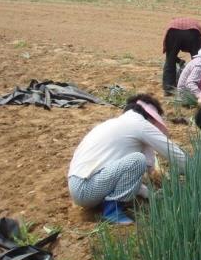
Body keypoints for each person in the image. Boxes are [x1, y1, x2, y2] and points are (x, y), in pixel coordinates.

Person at [67, 94, 188, 225]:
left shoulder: (113, 124)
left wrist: (150, 194)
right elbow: (174, 153)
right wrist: (197, 171)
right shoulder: (140, 124)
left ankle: (107, 203)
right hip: (87, 189)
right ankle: (112, 211)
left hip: (78, 185)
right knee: (137, 160)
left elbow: (123, 176)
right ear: (150, 117)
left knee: (134, 162)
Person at [162, 17, 201, 96]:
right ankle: (196, 85)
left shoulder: (171, 24)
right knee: (198, 60)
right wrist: (179, 61)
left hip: (173, 32)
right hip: (193, 32)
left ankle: (169, 89)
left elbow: (170, 55)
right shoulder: (195, 24)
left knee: (170, 61)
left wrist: (174, 59)